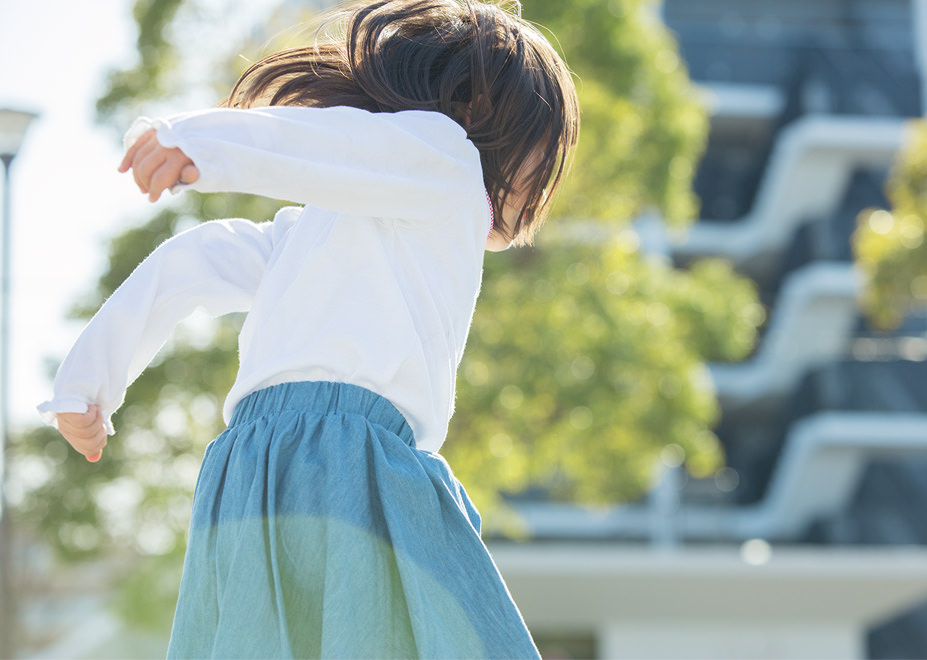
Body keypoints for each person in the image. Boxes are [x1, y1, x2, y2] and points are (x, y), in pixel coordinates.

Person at [37, 0, 579, 657]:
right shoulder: (450, 164)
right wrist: (197, 142)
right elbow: (327, 148)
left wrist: (87, 382)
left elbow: (197, 259)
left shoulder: (320, 230)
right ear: (486, 116)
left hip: (253, 472)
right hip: (352, 462)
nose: (535, 190)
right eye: (539, 159)